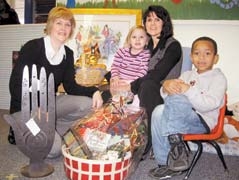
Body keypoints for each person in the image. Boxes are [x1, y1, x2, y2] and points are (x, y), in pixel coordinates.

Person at [8, 6, 107, 158]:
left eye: (68, 24)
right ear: (50, 25)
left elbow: (70, 86)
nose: (63, 28)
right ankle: (21, 130)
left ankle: (50, 128)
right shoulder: (33, 47)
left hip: (49, 105)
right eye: (59, 23)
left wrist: (94, 91)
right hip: (25, 109)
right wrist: (36, 107)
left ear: (71, 29)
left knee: (87, 104)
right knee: (54, 150)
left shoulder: (67, 53)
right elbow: (15, 86)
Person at [149, 36, 227, 179]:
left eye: (207, 53)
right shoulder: (186, 75)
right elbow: (169, 99)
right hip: (179, 119)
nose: (201, 57)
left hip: (202, 121)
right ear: (191, 57)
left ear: (216, 58)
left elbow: (209, 105)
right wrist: (166, 87)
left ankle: (176, 145)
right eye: (197, 53)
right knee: (158, 112)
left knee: (179, 97)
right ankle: (165, 164)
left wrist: (188, 90)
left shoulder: (218, 78)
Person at [110, 5, 183, 156]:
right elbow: (125, 63)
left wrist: (129, 86)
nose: (152, 23)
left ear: (165, 23)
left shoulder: (173, 46)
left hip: (163, 95)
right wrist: (112, 79)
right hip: (140, 90)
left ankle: (147, 140)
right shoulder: (145, 44)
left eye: (157, 19)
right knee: (107, 93)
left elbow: (157, 75)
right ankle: (113, 136)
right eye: (149, 19)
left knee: (147, 85)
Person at [110, 25, 150, 106]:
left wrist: (131, 84)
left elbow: (143, 71)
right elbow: (115, 66)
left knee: (136, 101)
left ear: (146, 41)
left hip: (134, 83)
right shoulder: (122, 52)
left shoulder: (146, 54)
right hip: (120, 80)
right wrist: (115, 77)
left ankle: (133, 111)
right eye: (134, 37)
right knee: (116, 96)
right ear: (129, 39)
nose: (137, 40)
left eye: (141, 37)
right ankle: (118, 108)